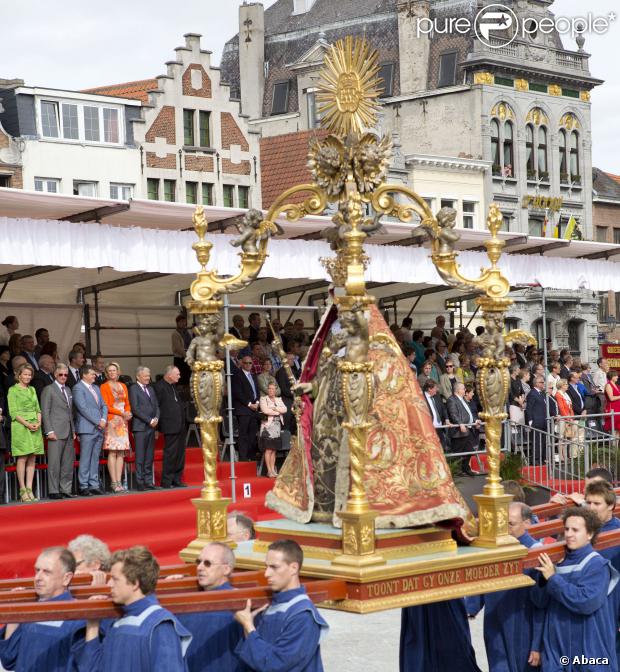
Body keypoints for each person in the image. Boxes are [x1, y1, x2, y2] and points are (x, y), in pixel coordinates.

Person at [72, 546, 191, 671]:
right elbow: (93, 668)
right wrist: (93, 624)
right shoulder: (116, 623)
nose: (110, 585)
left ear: (135, 583)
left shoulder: (161, 625)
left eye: (115, 579)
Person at [531, 507, 619, 672]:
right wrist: (543, 580)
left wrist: (553, 578)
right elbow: (539, 602)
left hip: (588, 650)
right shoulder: (556, 563)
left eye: (575, 530)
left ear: (590, 534)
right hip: (557, 648)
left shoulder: (597, 565)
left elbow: (585, 602)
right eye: (566, 529)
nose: (569, 534)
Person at [466, 502, 542, 672]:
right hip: (495, 625)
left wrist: (537, 644)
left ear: (527, 523)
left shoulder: (536, 553)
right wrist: (470, 607)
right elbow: (483, 579)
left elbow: (542, 605)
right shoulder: (495, 548)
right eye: (503, 523)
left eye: (511, 524)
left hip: (524, 626)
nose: (506, 528)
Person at [234, 539, 328, 672]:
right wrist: (247, 627)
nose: (266, 574)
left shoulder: (303, 616)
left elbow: (276, 665)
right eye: (266, 567)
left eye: (274, 567)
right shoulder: (267, 606)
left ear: (293, 568)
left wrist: (249, 627)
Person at [0, 547, 82, 672]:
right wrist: (15, 614)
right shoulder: (29, 612)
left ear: (66, 578)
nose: (38, 577)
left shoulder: (78, 617)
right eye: (37, 570)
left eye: (47, 572)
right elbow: (8, 659)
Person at [178, 543, 243, 672]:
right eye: (199, 562)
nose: (200, 567)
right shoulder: (185, 602)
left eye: (207, 563)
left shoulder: (239, 604)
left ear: (226, 569)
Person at [8, 363, 44, 502]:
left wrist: (39, 423)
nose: (28, 377)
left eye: (30, 375)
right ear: (19, 375)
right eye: (25, 374)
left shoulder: (32, 389)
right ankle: (22, 489)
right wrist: (28, 424)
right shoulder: (13, 390)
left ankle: (30, 488)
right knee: (22, 457)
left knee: (32, 457)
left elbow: (38, 409)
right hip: (21, 426)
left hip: (35, 425)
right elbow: (13, 412)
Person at [41, 363, 76, 499]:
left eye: (66, 375)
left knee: (67, 463)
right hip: (55, 431)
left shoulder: (68, 389)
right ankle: (54, 490)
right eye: (60, 374)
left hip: (68, 431)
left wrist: (73, 429)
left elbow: (70, 412)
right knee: (54, 463)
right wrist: (49, 431)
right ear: (55, 375)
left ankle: (65, 489)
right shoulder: (48, 389)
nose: (63, 377)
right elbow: (45, 411)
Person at [73, 365, 108, 497]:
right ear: (84, 375)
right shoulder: (78, 388)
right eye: (92, 374)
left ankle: (94, 484)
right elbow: (83, 408)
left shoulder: (96, 388)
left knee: (95, 458)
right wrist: (98, 421)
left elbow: (104, 405)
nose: (95, 376)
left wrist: (103, 419)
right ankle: (83, 485)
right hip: (87, 428)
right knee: (86, 457)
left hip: (99, 427)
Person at [100, 362, 131, 493]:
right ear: (107, 373)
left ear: (118, 372)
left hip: (123, 422)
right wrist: (121, 413)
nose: (112, 373)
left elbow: (127, 403)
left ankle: (119, 481)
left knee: (121, 452)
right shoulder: (104, 386)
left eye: (114, 370)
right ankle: (114, 482)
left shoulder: (123, 385)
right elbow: (106, 405)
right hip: (112, 420)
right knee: (112, 451)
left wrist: (128, 412)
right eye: (110, 371)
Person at [154, 365, 187, 488]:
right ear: (169, 375)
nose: (179, 376)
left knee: (180, 454)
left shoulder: (173, 386)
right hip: (169, 425)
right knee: (170, 454)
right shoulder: (159, 387)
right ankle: (167, 480)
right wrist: (156, 428)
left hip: (180, 425)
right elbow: (156, 407)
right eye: (177, 374)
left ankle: (177, 479)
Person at [129, 366, 160, 491]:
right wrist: (150, 420)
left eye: (148, 375)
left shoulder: (151, 389)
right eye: (145, 376)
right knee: (140, 456)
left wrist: (156, 418)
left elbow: (157, 406)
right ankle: (140, 481)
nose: (148, 378)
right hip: (140, 427)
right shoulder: (133, 389)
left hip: (151, 427)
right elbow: (135, 409)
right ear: (138, 376)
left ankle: (148, 481)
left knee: (149, 456)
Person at [446, 382, 479, 476]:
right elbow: (453, 414)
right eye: (463, 389)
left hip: (468, 429)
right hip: (458, 431)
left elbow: (469, 413)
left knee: (469, 450)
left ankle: (466, 469)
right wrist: (460, 424)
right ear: (458, 390)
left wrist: (475, 420)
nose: (465, 390)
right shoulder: (451, 400)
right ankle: (456, 471)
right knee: (458, 453)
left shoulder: (463, 399)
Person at [232, 355, 260, 462]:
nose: (248, 365)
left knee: (252, 434)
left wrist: (257, 403)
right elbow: (238, 393)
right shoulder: (237, 375)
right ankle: (243, 458)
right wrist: (249, 404)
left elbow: (257, 391)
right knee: (243, 434)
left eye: (250, 363)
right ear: (242, 363)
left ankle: (251, 456)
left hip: (254, 409)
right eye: (246, 363)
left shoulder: (253, 376)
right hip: (243, 409)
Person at [259, 382, 287, 478]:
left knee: (274, 450)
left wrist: (275, 408)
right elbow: (265, 410)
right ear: (268, 390)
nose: (271, 390)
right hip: (267, 426)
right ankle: (269, 470)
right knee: (268, 449)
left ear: (275, 390)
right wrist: (277, 412)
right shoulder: (263, 399)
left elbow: (285, 409)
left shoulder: (279, 399)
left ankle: (273, 471)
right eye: (270, 388)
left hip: (277, 427)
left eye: (273, 389)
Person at [525, 375, 547, 465]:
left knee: (543, 442)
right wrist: (530, 421)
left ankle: (542, 459)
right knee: (537, 442)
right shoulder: (532, 393)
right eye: (541, 382)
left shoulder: (542, 394)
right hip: (536, 421)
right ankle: (536, 460)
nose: (543, 384)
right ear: (536, 384)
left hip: (543, 421)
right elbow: (529, 408)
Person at [422, 379, 450, 451]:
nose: (437, 390)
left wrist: (446, 419)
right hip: (430, 429)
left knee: (442, 448)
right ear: (429, 389)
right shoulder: (421, 397)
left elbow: (443, 408)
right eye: (435, 388)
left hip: (439, 427)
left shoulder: (437, 395)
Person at [275, 353, 298, 434]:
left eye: (293, 359)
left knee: (294, 423)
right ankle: (286, 443)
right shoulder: (281, 372)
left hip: (294, 400)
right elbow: (283, 389)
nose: (293, 361)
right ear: (286, 360)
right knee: (286, 423)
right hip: (286, 401)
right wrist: (295, 394)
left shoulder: (293, 371)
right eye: (291, 359)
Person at [172, 314, 192, 386]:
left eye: (184, 322)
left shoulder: (187, 333)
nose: (183, 323)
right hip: (180, 359)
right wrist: (187, 356)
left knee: (187, 379)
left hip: (187, 358)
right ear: (177, 323)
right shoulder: (175, 334)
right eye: (181, 322)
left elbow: (191, 343)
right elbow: (178, 348)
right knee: (181, 379)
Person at [604, 370, 620, 435]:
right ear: (612, 376)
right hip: (613, 408)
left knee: (618, 429)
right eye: (616, 376)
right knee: (613, 428)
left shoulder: (616, 385)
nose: (617, 377)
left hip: (618, 408)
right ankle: (613, 444)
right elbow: (611, 398)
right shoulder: (608, 385)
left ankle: (616, 444)